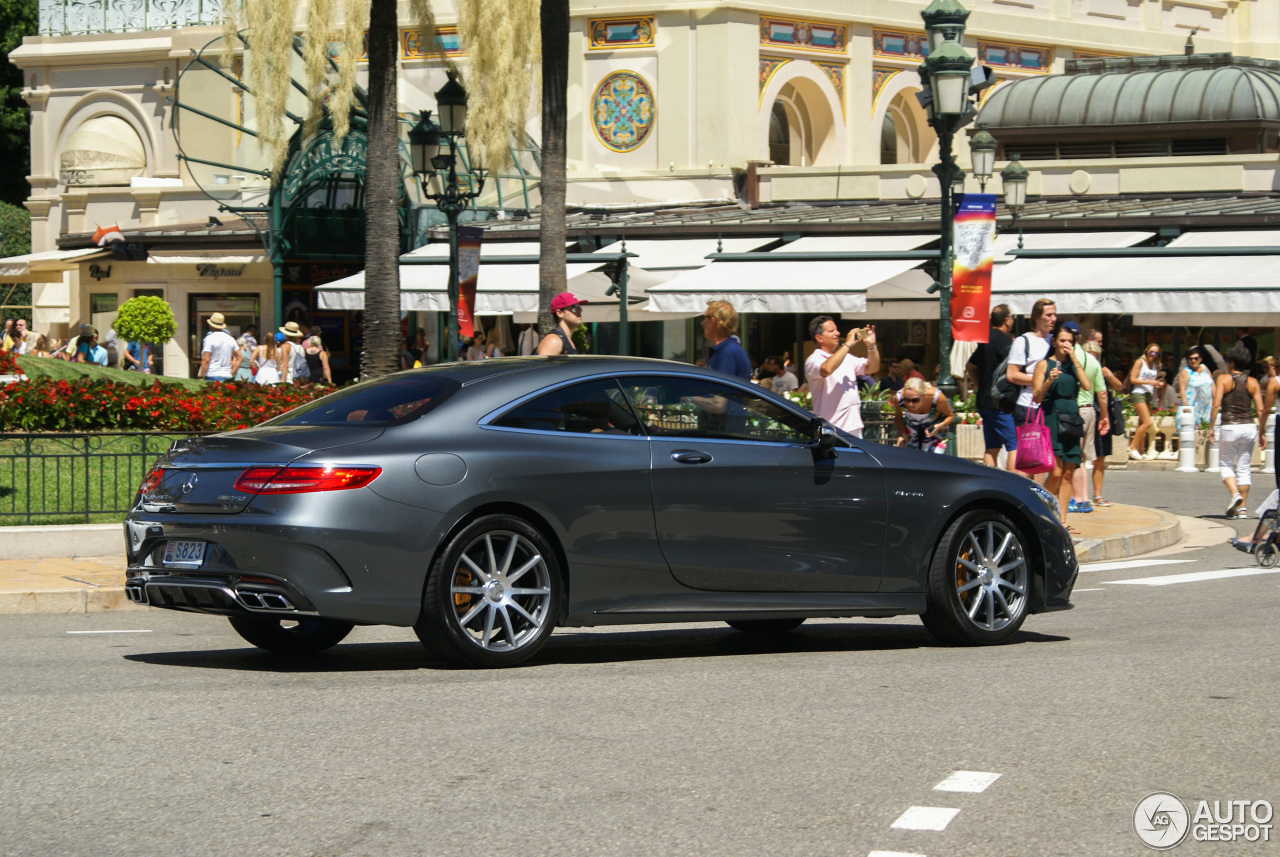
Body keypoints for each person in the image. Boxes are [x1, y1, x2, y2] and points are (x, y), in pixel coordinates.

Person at [1033, 322, 1091, 532]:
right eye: (1062, 340)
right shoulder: (1044, 364)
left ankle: (1062, 519)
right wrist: (1048, 381)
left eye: (1070, 341)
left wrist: (1074, 358)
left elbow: (1086, 385)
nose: (1066, 344)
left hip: (1071, 417)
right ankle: (1044, 512)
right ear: (1054, 341)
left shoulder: (1074, 365)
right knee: (1056, 472)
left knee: (1068, 471)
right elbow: (1037, 397)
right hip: (1052, 415)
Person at [1209, 344, 1266, 519]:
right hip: (1249, 427)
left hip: (1229, 426)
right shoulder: (1253, 382)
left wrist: (1211, 427)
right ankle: (1242, 509)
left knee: (1225, 464)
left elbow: (1217, 404)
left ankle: (1235, 495)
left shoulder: (1224, 380)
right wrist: (1262, 431)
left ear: (1231, 363)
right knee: (1243, 467)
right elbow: (1261, 409)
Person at [804, 315, 880, 439]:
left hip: (853, 429)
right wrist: (848, 344)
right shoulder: (813, 360)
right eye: (831, 331)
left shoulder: (846, 357)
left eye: (837, 329)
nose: (837, 333)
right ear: (819, 338)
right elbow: (826, 369)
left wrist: (871, 347)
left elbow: (872, 368)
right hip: (831, 431)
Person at [1006, 298, 1057, 478]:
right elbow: (1011, 374)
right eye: (1048, 315)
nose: (1053, 318)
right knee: (1029, 457)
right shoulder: (1023, 341)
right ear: (1036, 317)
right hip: (1028, 405)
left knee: (1045, 457)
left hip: (1051, 406)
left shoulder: (1055, 341)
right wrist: (1038, 380)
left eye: (1054, 314)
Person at [967, 303, 1018, 471]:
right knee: (1014, 446)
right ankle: (1013, 488)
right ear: (1007, 320)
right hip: (1001, 402)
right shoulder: (1006, 341)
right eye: (1012, 317)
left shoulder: (984, 339)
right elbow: (1012, 370)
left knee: (992, 447)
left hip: (983, 401)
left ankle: (990, 482)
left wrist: (981, 384)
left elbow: (970, 366)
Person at [1064, 321, 1108, 514]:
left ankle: (1076, 498)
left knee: (1073, 457)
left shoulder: (1070, 357)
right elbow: (1103, 393)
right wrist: (1104, 416)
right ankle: (1083, 499)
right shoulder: (1093, 361)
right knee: (1081, 458)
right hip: (1091, 411)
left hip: (1076, 410)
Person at [1084, 330, 1124, 508]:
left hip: (1102, 415)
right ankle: (1079, 495)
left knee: (1100, 457)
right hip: (1085, 413)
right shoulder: (1079, 371)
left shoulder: (1102, 371)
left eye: (1096, 356)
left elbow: (1120, 387)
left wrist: (1108, 375)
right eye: (1090, 356)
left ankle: (1098, 495)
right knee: (1077, 458)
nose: (1094, 359)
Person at [893, 377, 954, 453]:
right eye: (907, 399)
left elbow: (950, 416)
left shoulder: (937, 397)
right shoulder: (899, 398)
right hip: (913, 437)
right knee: (910, 462)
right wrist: (900, 436)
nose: (910, 404)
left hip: (935, 437)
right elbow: (899, 418)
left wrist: (939, 426)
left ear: (924, 395)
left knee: (934, 461)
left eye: (915, 400)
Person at [701, 300, 751, 379]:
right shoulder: (726, 350)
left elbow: (720, 389)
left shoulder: (728, 352)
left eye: (705, 318)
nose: (702, 322)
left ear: (713, 321)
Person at [1178, 345, 1213, 430]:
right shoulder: (1185, 371)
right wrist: (1185, 404)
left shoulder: (1204, 368)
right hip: (1192, 407)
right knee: (1189, 434)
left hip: (1206, 407)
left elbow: (1212, 383)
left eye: (1196, 358)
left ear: (1200, 359)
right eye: (1190, 359)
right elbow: (1182, 389)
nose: (1193, 360)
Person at [198, 312, 241, 382]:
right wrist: (232, 373)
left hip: (212, 374)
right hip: (227, 375)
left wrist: (201, 376)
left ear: (211, 325)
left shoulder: (209, 338)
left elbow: (206, 360)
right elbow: (240, 358)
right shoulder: (230, 339)